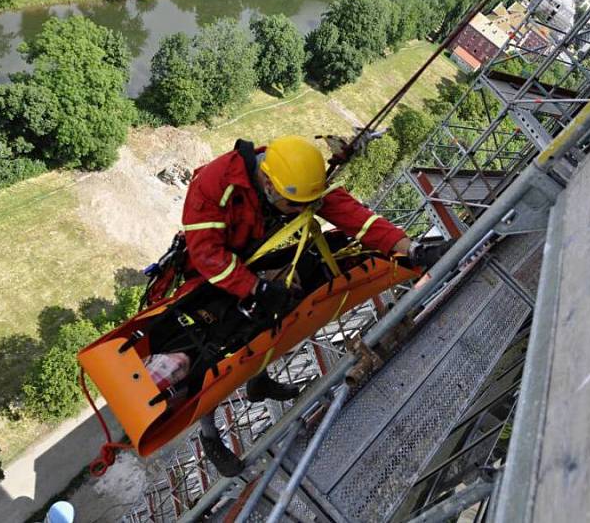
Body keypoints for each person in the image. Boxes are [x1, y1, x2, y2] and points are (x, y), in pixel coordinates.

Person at [178, 135, 450, 476]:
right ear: (268, 185)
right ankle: (209, 432)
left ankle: (258, 379)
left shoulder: (294, 181)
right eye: (297, 206)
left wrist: (410, 248)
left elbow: (354, 217)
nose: (305, 210)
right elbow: (207, 255)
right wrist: (254, 287)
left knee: (281, 317)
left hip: (257, 253)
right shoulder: (215, 187)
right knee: (215, 351)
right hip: (213, 272)